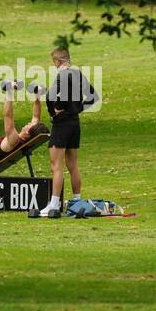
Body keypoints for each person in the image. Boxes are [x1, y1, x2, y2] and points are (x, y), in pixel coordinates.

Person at [39, 47, 98, 218]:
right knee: (73, 165)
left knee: (56, 166)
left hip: (62, 125)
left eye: (54, 63)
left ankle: (54, 204)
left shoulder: (62, 75)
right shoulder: (78, 74)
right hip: (75, 124)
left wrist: (54, 111)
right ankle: (76, 202)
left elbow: (50, 97)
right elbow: (93, 97)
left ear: (58, 62)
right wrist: (77, 109)